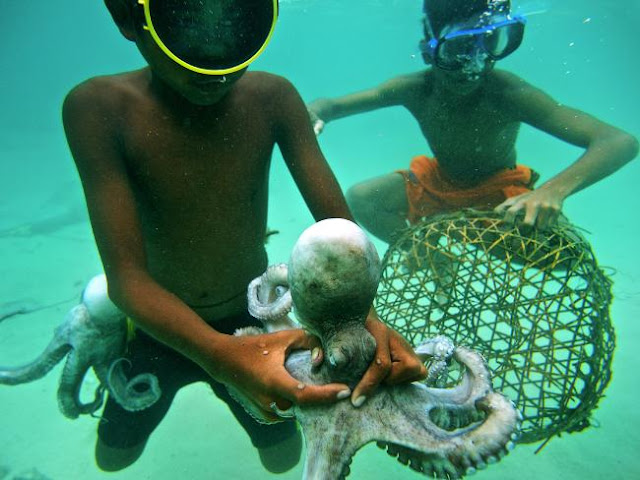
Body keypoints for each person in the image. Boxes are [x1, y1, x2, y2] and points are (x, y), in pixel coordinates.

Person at [63, 0, 425, 473]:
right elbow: (127, 278)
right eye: (188, 24)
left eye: (235, 25)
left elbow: (338, 233)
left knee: (283, 460)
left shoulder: (272, 98)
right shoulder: (98, 109)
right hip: (156, 325)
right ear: (128, 16)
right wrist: (217, 355)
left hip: (251, 318)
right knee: (113, 459)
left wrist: (361, 316)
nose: (214, 60)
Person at [307, 0, 638, 244]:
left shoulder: (509, 93)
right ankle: (429, 253)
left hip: (499, 200)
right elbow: (331, 106)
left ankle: (466, 238)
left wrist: (553, 191)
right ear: (429, 51)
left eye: (488, 44)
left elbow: (618, 141)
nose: (474, 65)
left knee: (563, 253)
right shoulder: (415, 89)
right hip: (437, 184)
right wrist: (312, 113)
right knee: (364, 198)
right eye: (458, 50)